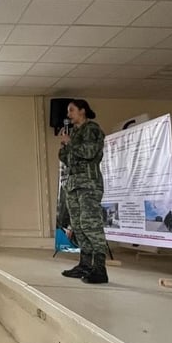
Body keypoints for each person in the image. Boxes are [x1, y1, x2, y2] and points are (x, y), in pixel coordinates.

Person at [58, 100, 109, 285]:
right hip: (73, 184)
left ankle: (100, 269)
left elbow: (89, 152)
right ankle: (85, 265)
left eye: (71, 110)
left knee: (91, 224)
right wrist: (65, 145)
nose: (68, 114)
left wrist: (70, 143)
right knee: (78, 225)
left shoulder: (92, 129)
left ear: (82, 111)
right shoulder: (74, 133)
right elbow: (65, 159)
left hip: (88, 183)